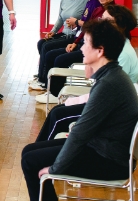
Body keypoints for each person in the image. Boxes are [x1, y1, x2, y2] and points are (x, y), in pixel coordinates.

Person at [21, 20, 138, 201]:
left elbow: (81, 133)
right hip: (105, 149)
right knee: (29, 152)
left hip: (111, 161)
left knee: (31, 160)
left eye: (86, 43)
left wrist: (55, 169)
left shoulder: (109, 84)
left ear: (100, 51)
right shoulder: (111, 75)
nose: (81, 48)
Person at [35, 4, 138, 143]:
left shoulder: (123, 53)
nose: (102, 24)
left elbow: (108, 91)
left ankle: (48, 151)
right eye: (102, 19)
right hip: (102, 99)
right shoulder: (113, 46)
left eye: (108, 21)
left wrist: (75, 101)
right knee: (57, 111)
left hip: (110, 110)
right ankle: (42, 148)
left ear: (121, 26)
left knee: (58, 115)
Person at [36, 0, 116, 104]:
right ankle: (47, 86)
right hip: (84, 44)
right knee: (48, 50)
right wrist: (75, 42)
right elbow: (86, 29)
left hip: (95, 51)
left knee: (58, 59)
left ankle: (55, 94)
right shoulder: (97, 9)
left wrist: (79, 38)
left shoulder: (112, 13)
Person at [29, 0, 99, 91]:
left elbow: (87, 23)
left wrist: (76, 23)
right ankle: (43, 74)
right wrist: (53, 31)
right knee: (41, 43)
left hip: (73, 35)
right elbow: (60, 18)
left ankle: (44, 80)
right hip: (67, 34)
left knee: (47, 48)